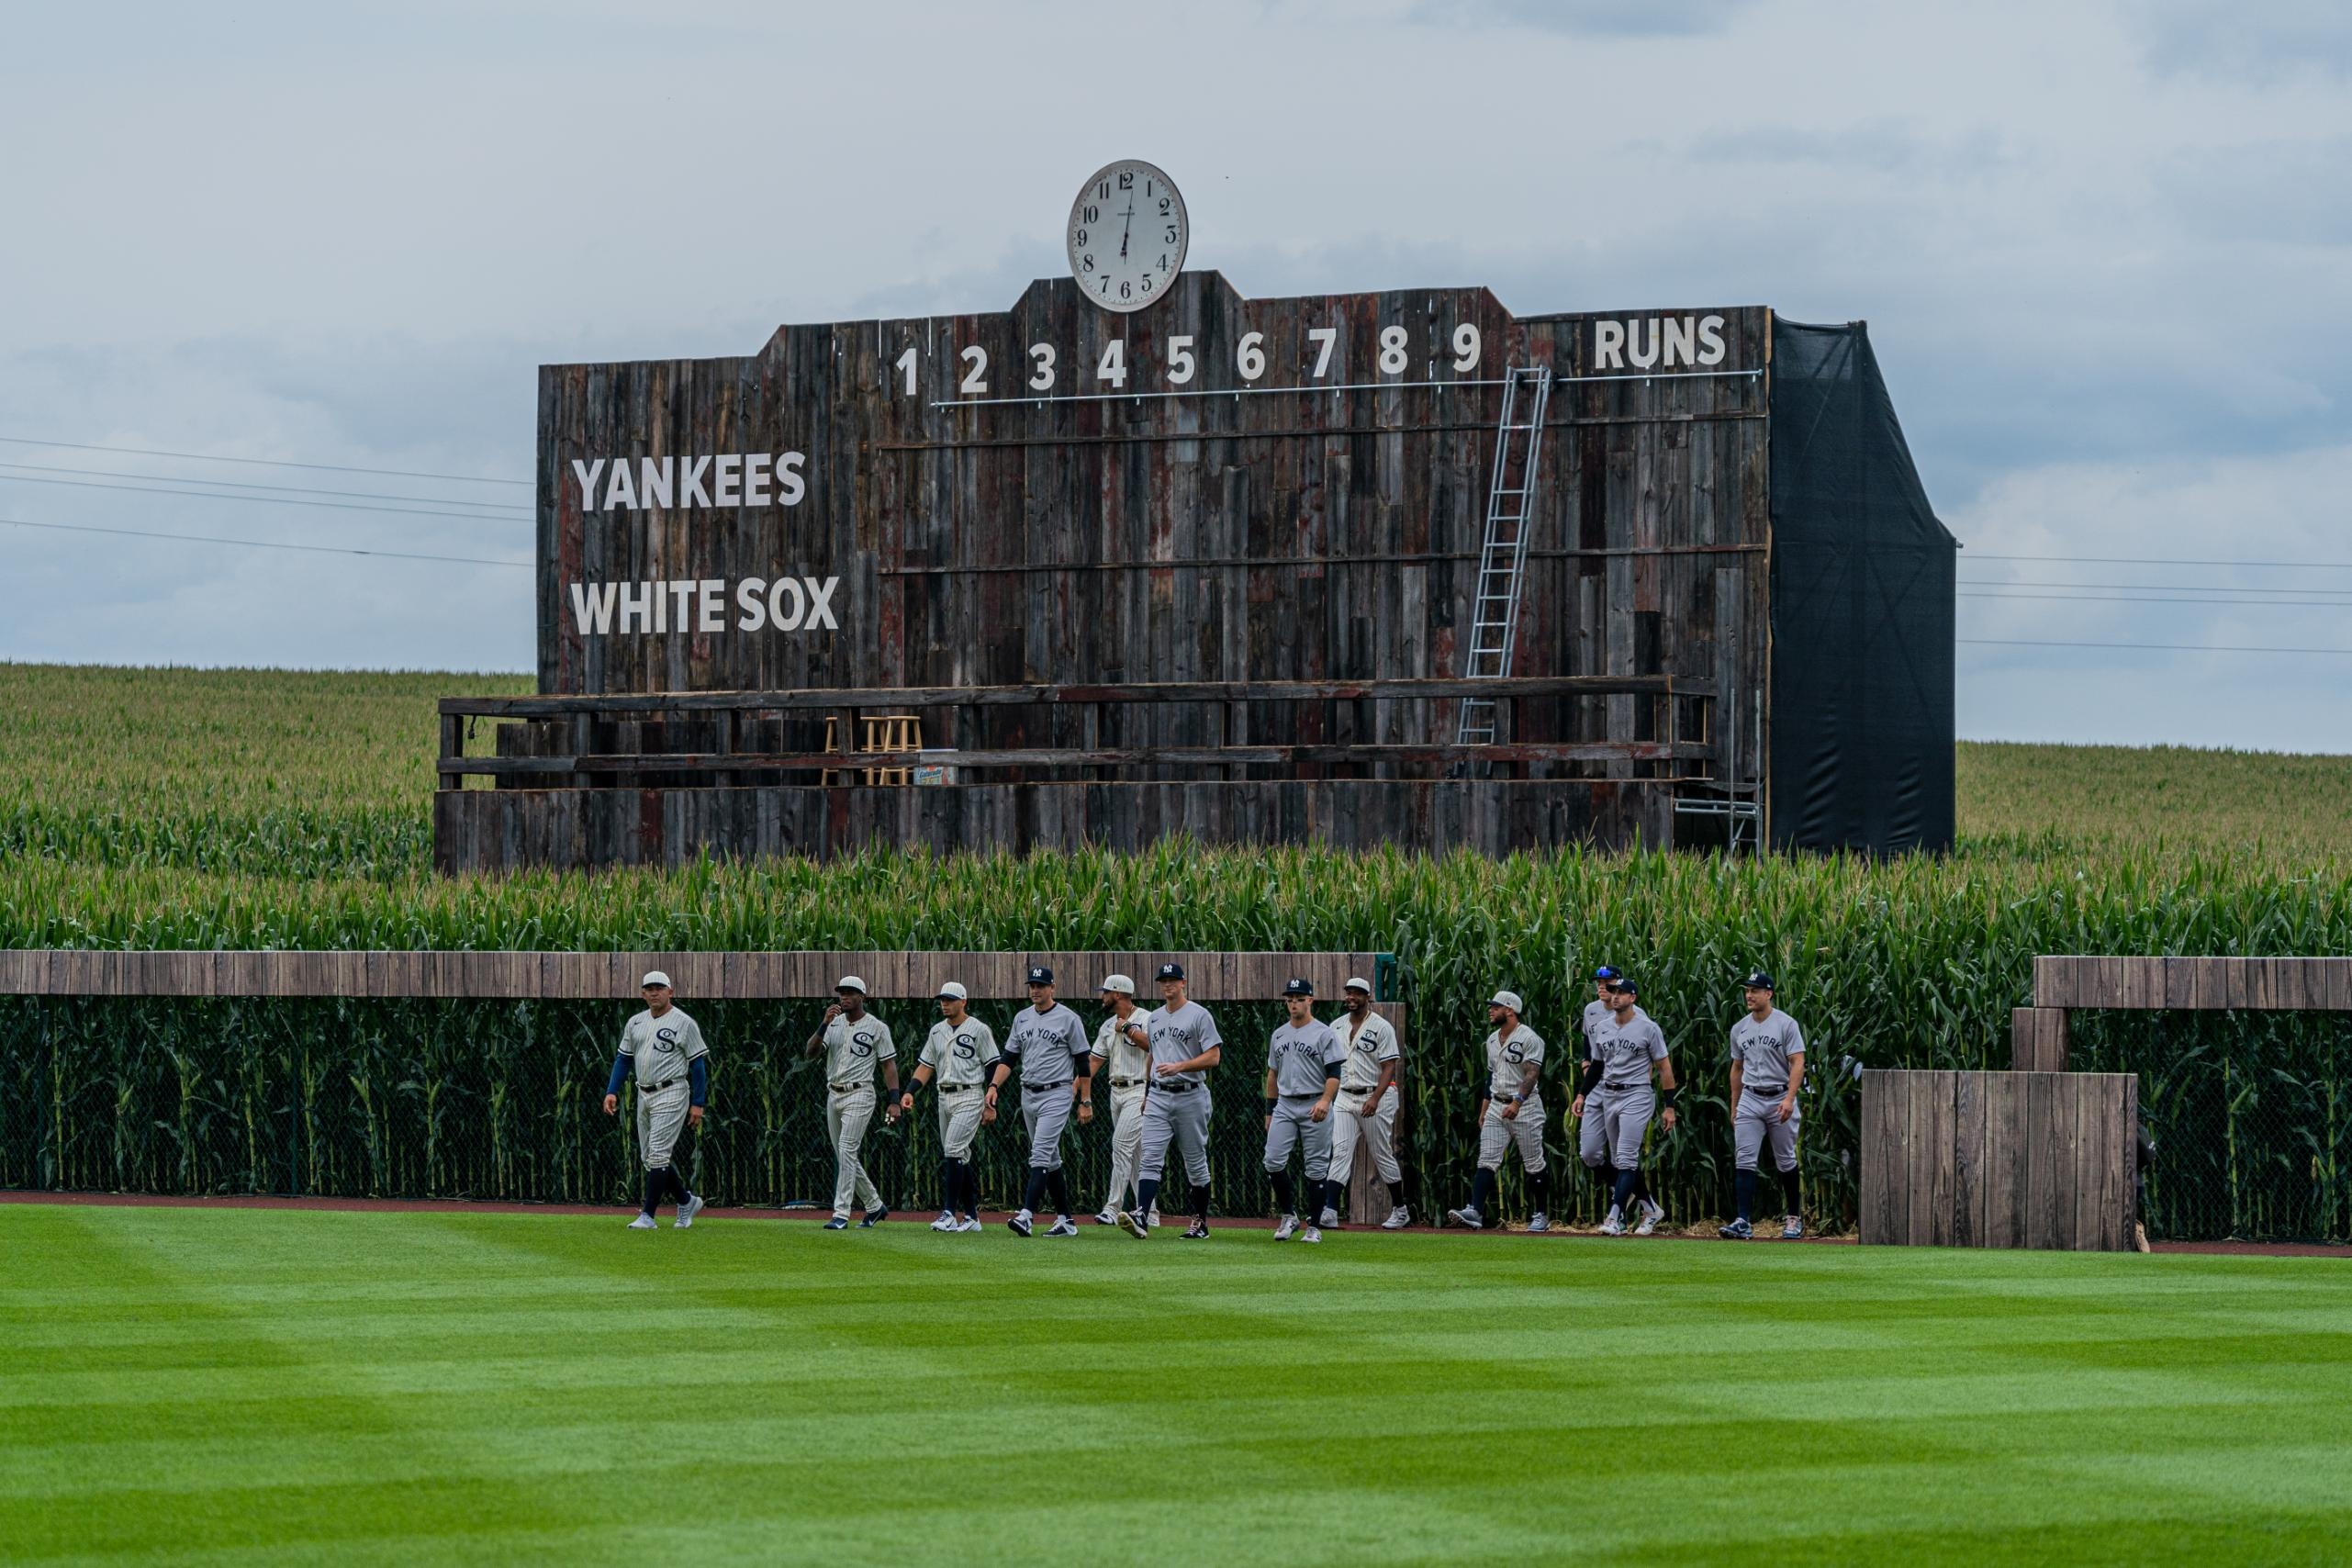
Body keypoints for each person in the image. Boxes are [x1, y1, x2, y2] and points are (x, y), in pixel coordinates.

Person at [1119, 962, 1222, 1241]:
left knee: (1195, 1162)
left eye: (1172, 980)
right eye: (1163, 980)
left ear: (1183, 983)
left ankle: (1200, 1223)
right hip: (1159, 1097)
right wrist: (1147, 1092)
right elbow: (1153, 1055)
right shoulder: (1154, 1018)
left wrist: (1181, 1066)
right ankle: (1141, 1214)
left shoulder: (1199, 1015)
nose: (1167, 985)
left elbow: (1213, 1056)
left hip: (1191, 1094)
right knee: (1150, 1158)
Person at [602, 969, 709, 1230]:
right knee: (649, 1157)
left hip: (672, 1090)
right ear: (642, 993)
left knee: (659, 1153)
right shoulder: (636, 1022)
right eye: (649, 988)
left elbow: (698, 1065)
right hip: (644, 1093)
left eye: (659, 987)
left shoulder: (684, 1022)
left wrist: (698, 1103)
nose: (654, 992)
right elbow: (623, 1059)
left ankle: (648, 1215)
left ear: (670, 991)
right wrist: (611, 1090)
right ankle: (686, 1201)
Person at [995, 965, 1093, 1238]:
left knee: (1039, 1152)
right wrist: (993, 1086)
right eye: (1032, 985)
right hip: (1028, 1093)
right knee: (1050, 1158)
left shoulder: (1068, 1018)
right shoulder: (1022, 1018)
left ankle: (1027, 1215)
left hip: (1057, 1092)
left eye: (1041, 985)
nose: (1035, 990)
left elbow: (1083, 1061)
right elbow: (1009, 1059)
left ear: (1052, 988)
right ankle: (1066, 1220)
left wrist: (1085, 1100)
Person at [1445, 990, 1551, 1232]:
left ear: (1510, 1010)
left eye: (1495, 1006)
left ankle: (1540, 1214)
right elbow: (1491, 1075)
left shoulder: (1529, 1038)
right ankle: (1475, 1210)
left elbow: (1532, 1073)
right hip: (1496, 1104)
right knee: (1487, 1160)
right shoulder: (1492, 1039)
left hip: (1526, 1107)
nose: (1490, 1010)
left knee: (1534, 1162)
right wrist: (1484, 1108)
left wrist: (1517, 1102)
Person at [1577, 979, 1676, 1236]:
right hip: (1609, 1094)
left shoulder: (1647, 1028)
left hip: (1637, 1094)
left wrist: (1669, 1106)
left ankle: (1614, 1216)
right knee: (1615, 1159)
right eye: (1613, 992)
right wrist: (1581, 1095)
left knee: (1626, 1156)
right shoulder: (1603, 1027)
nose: (1614, 996)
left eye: (1620, 992)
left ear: (1632, 998)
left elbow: (1664, 1067)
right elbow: (1596, 1065)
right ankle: (1650, 1207)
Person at [899, 980, 1000, 1233]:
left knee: (953, 1149)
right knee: (960, 1155)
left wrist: (990, 1102)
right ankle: (973, 1217)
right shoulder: (936, 1031)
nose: (945, 1003)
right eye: (942, 999)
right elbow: (926, 1065)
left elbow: (992, 1065)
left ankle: (948, 1213)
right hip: (944, 1096)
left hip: (970, 1094)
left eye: (950, 999)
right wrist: (910, 1091)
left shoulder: (979, 1029)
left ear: (963, 1001)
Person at [806, 974, 900, 1231]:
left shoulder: (877, 1027)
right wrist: (824, 1024)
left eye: (850, 993)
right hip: (834, 1093)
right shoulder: (833, 1024)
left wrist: (894, 1100)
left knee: (846, 1149)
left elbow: (888, 1064)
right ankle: (874, 1205)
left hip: (860, 1093)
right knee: (844, 1154)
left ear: (862, 997)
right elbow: (810, 1052)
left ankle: (841, 1214)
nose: (844, 997)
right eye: (842, 993)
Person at [1719, 971, 1806, 1240]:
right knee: (1744, 1159)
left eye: (1755, 990)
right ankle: (1742, 1220)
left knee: (1786, 1160)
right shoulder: (1740, 1028)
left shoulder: (1785, 1024)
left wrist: (1790, 1098)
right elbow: (1736, 1067)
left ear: (1768, 994)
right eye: (1747, 990)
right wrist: (1735, 1105)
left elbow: (1798, 1061)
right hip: (1751, 1097)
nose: (1749, 995)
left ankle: (1793, 1218)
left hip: (1779, 1096)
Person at [1319, 976, 1409, 1230]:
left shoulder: (1381, 1027)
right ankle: (1329, 1211)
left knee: (1381, 1152)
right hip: (1345, 1095)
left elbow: (1389, 1065)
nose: (1351, 997)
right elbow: (1330, 1063)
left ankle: (1400, 1210)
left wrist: (1375, 1098)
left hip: (1376, 1095)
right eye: (1348, 992)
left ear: (1368, 997)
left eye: (1357, 993)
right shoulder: (1335, 1026)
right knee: (1341, 1151)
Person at [1262, 979, 1345, 1243]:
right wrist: (1269, 1110)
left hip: (1314, 1102)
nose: (1293, 1003)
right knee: (1273, 1160)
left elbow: (1334, 1073)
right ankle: (1288, 1216)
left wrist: (1325, 1100)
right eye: (1289, 999)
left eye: (1299, 998)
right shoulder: (1279, 1034)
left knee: (1316, 1167)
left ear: (1310, 1000)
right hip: (1286, 1103)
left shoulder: (1323, 1033)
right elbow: (1272, 1074)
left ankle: (1315, 1226)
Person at [1089, 974, 1158, 1227]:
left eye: (1105, 992)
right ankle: (1149, 1213)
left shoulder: (1147, 1018)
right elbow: (1094, 1061)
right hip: (1115, 1092)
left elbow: (1153, 1046)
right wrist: (1078, 1089)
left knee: (1120, 1145)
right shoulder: (1107, 1025)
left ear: (1117, 994)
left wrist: (1128, 1028)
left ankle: (1112, 1207)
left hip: (1140, 1090)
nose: (1102, 996)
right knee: (1135, 1154)